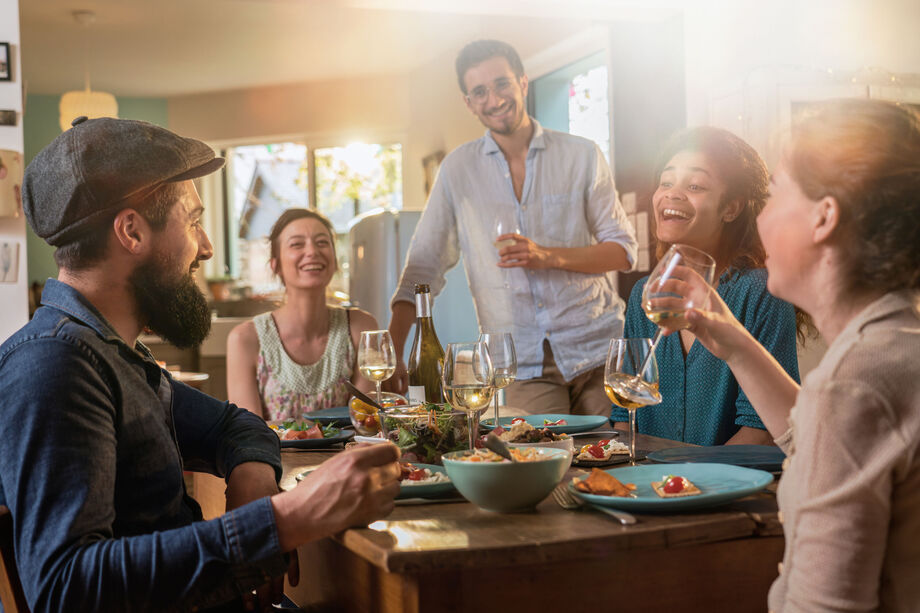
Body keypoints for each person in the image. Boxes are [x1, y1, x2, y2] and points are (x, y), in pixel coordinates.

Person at [0, 117, 401, 612]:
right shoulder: (56, 366)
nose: (206, 247)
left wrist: (253, 480)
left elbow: (239, 425)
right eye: (192, 221)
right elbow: (67, 590)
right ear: (132, 232)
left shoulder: (116, 355)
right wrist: (282, 521)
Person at [675, 99, 920, 610]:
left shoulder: (855, 382)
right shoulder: (892, 341)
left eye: (776, 195)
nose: (760, 218)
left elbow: (823, 605)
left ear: (823, 218)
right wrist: (738, 346)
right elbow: (820, 437)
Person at [387, 39, 638, 415]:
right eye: (480, 91)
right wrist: (393, 353)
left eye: (502, 83)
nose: (494, 98)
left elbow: (622, 250)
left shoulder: (581, 155)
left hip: (597, 347)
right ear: (468, 102)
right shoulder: (458, 170)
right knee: (540, 464)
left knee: (613, 458)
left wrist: (547, 255)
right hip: (520, 362)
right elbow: (423, 267)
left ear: (522, 82)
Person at [611, 127, 803, 445]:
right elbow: (624, 416)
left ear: (731, 208)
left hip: (727, 489)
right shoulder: (643, 294)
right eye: (666, 182)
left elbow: (763, 431)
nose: (672, 194)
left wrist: (689, 484)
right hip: (650, 487)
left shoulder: (760, 293)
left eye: (695, 185)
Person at [226, 208, 379, 421]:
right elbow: (248, 435)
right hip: (273, 455)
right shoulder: (245, 339)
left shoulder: (361, 328)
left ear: (334, 261)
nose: (312, 251)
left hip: (350, 454)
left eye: (322, 242)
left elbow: (366, 423)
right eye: (297, 244)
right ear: (275, 265)